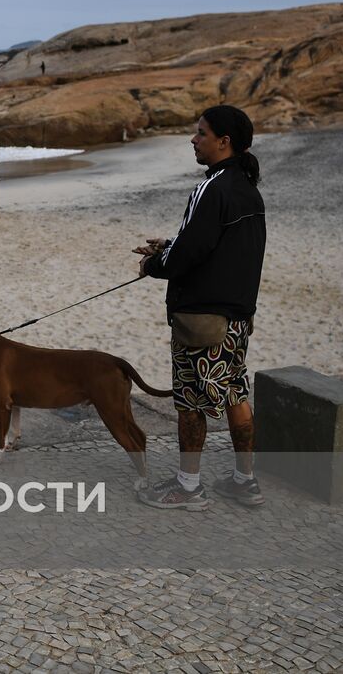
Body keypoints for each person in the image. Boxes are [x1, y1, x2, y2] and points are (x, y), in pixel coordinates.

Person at [133, 105, 266, 509]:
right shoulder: (247, 188)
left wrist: (153, 264)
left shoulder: (214, 188)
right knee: (235, 395)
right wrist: (170, 247)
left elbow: (189, 256)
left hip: (203, 320)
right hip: (237, 319)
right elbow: (213, 248)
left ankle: (188, 488)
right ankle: (245, 481)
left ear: (224, 141)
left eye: (201, 133)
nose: (194, 139)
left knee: (191, 405)